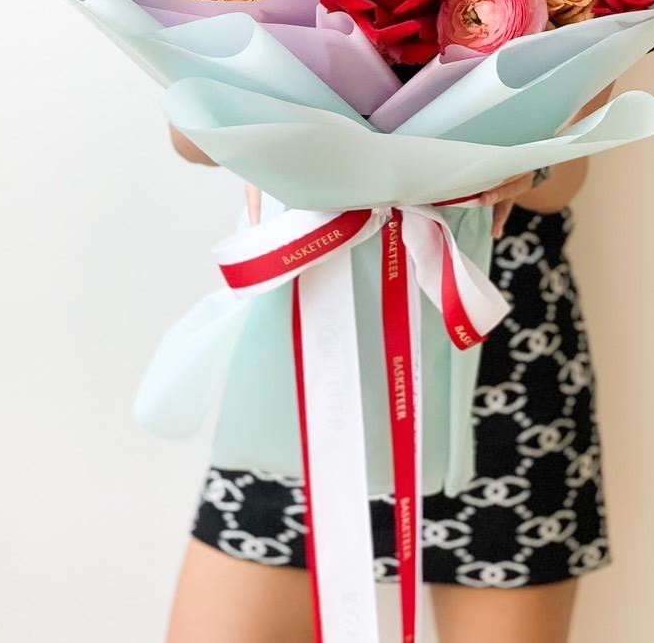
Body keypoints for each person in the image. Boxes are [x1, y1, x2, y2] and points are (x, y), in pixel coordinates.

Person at [165, 85, 614, 643]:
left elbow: (565, 182)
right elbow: (188, 138)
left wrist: (525, 165)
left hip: (494, 334)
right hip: (311, 342)